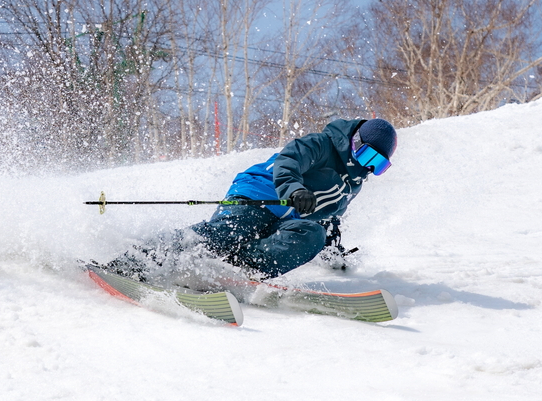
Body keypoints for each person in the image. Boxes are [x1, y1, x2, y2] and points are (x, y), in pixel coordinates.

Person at [105, 117, 397, 283]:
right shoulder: (321, 144)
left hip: (287, 221)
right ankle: (137, 260)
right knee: (231, 232)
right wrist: (294, 191)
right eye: (366, 155)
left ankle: (240, 268)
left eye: (379, 165)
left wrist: (334, 252)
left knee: (313, 234)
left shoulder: (354, 183)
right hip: (258, 195)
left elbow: (330, 217)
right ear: (354, 142)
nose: (368, 166)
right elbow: (287, 163)